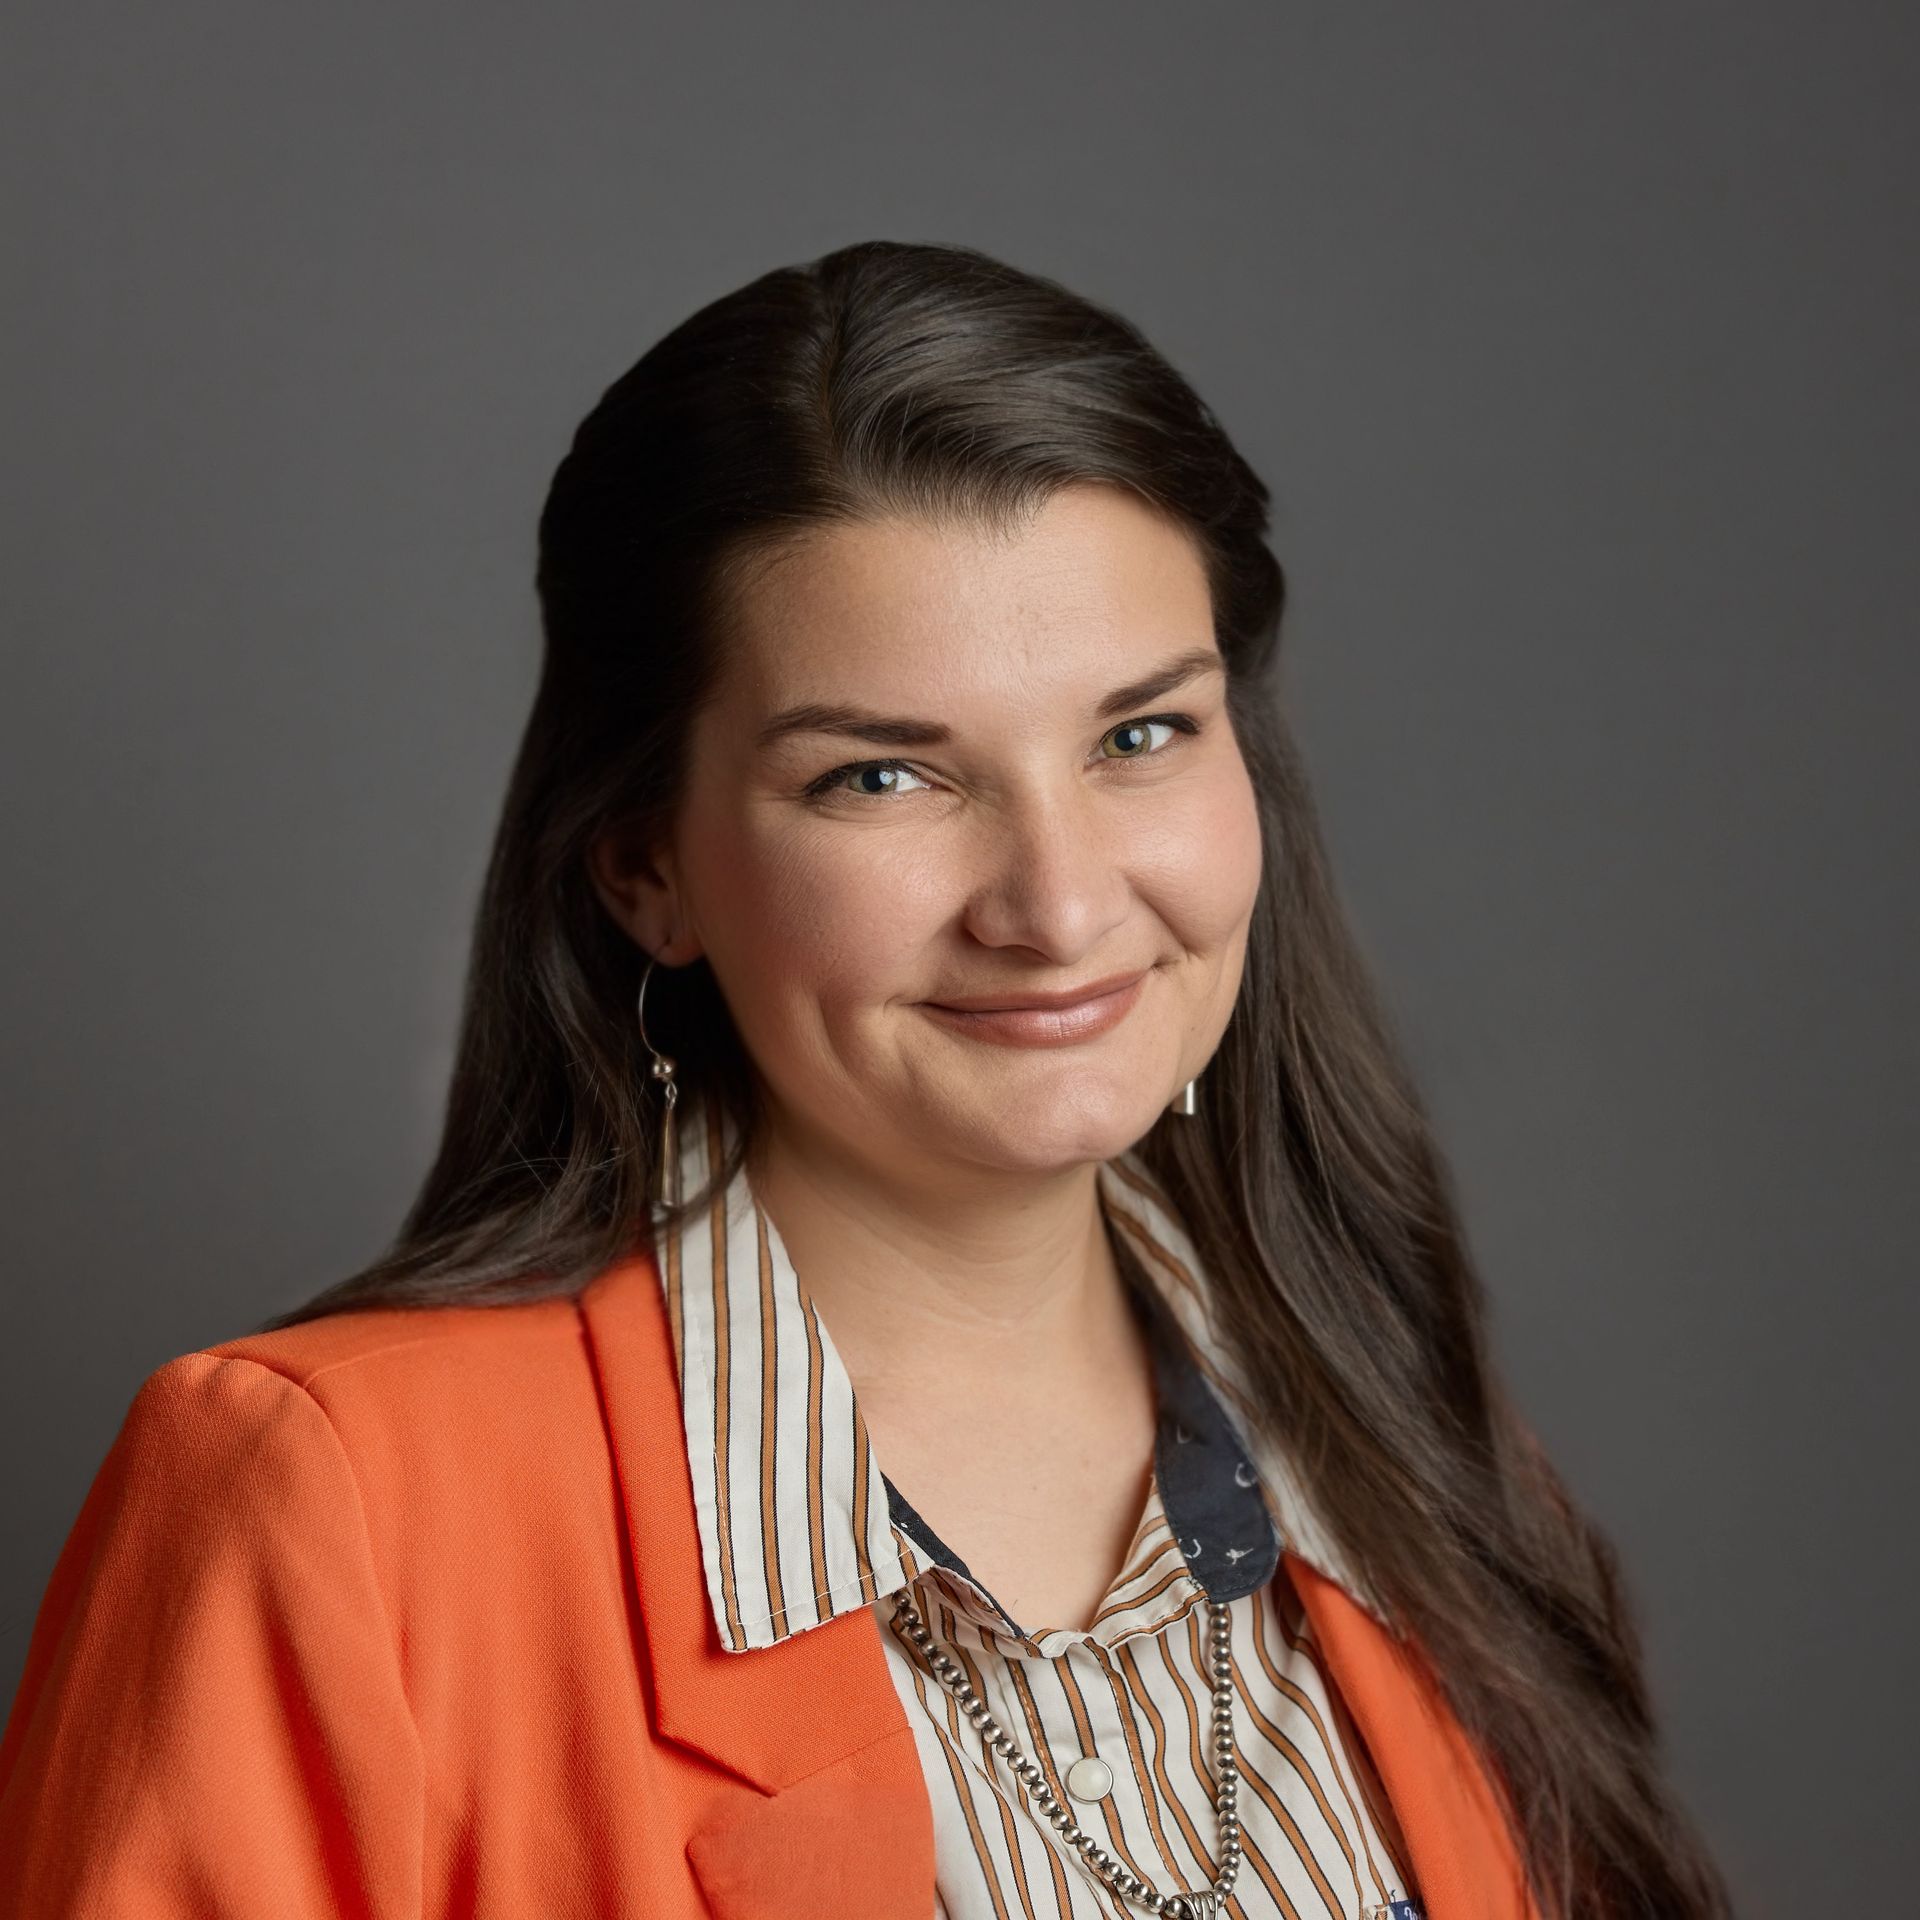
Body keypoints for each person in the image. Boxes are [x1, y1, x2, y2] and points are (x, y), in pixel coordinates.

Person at [0, 239, 1731, 1920]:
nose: (1058, 905)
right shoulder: (340, 1509)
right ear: (641, 865)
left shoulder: (1401, 1450)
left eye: (1141, 736)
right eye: (884, 781)